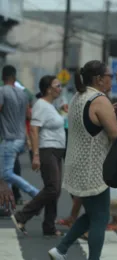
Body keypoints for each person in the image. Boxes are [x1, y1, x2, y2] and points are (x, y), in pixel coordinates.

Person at [49, 60, 117, 260]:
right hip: (94, 169)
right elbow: (115, 134)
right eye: (109, 76)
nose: (111, 80)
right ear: (99, 79)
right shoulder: (99, 99)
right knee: (100, 218)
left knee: (93, 215)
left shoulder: (78, 97)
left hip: (76, 166)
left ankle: (61, 249)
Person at [11, 76, 65, 237]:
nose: (60, 88)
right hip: (47, 150)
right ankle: (22, 215)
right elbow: (34, 130)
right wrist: (36, 155)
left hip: (57, 150)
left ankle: (49, 225)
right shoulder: (41, 105)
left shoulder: (51, 105)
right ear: (48, 89)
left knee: (55, 190)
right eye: (57, 85)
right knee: (52, 188)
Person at [0, 65, 39, 200]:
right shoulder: (23, 94)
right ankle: (6, 204)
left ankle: (35, 193)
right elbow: (29, 115)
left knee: (6, 174)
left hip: (9, 138)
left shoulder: (2, 91)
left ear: (2, 77)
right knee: (7, 171)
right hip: (20, 138)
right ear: (14, 77)